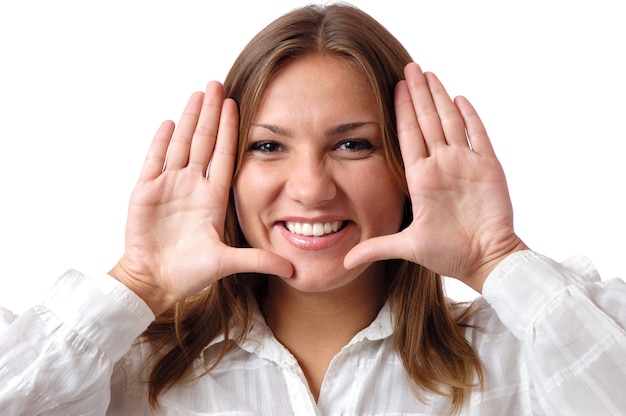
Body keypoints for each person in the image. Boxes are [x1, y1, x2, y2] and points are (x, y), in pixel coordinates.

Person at [1, 3, 625, 415]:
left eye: (353, 144)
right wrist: (136, 283)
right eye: (268, 147)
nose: (311, 188)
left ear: (406, 168)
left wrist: (497, 258)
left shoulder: (518, 356)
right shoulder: (123, 373)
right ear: (226, 175)